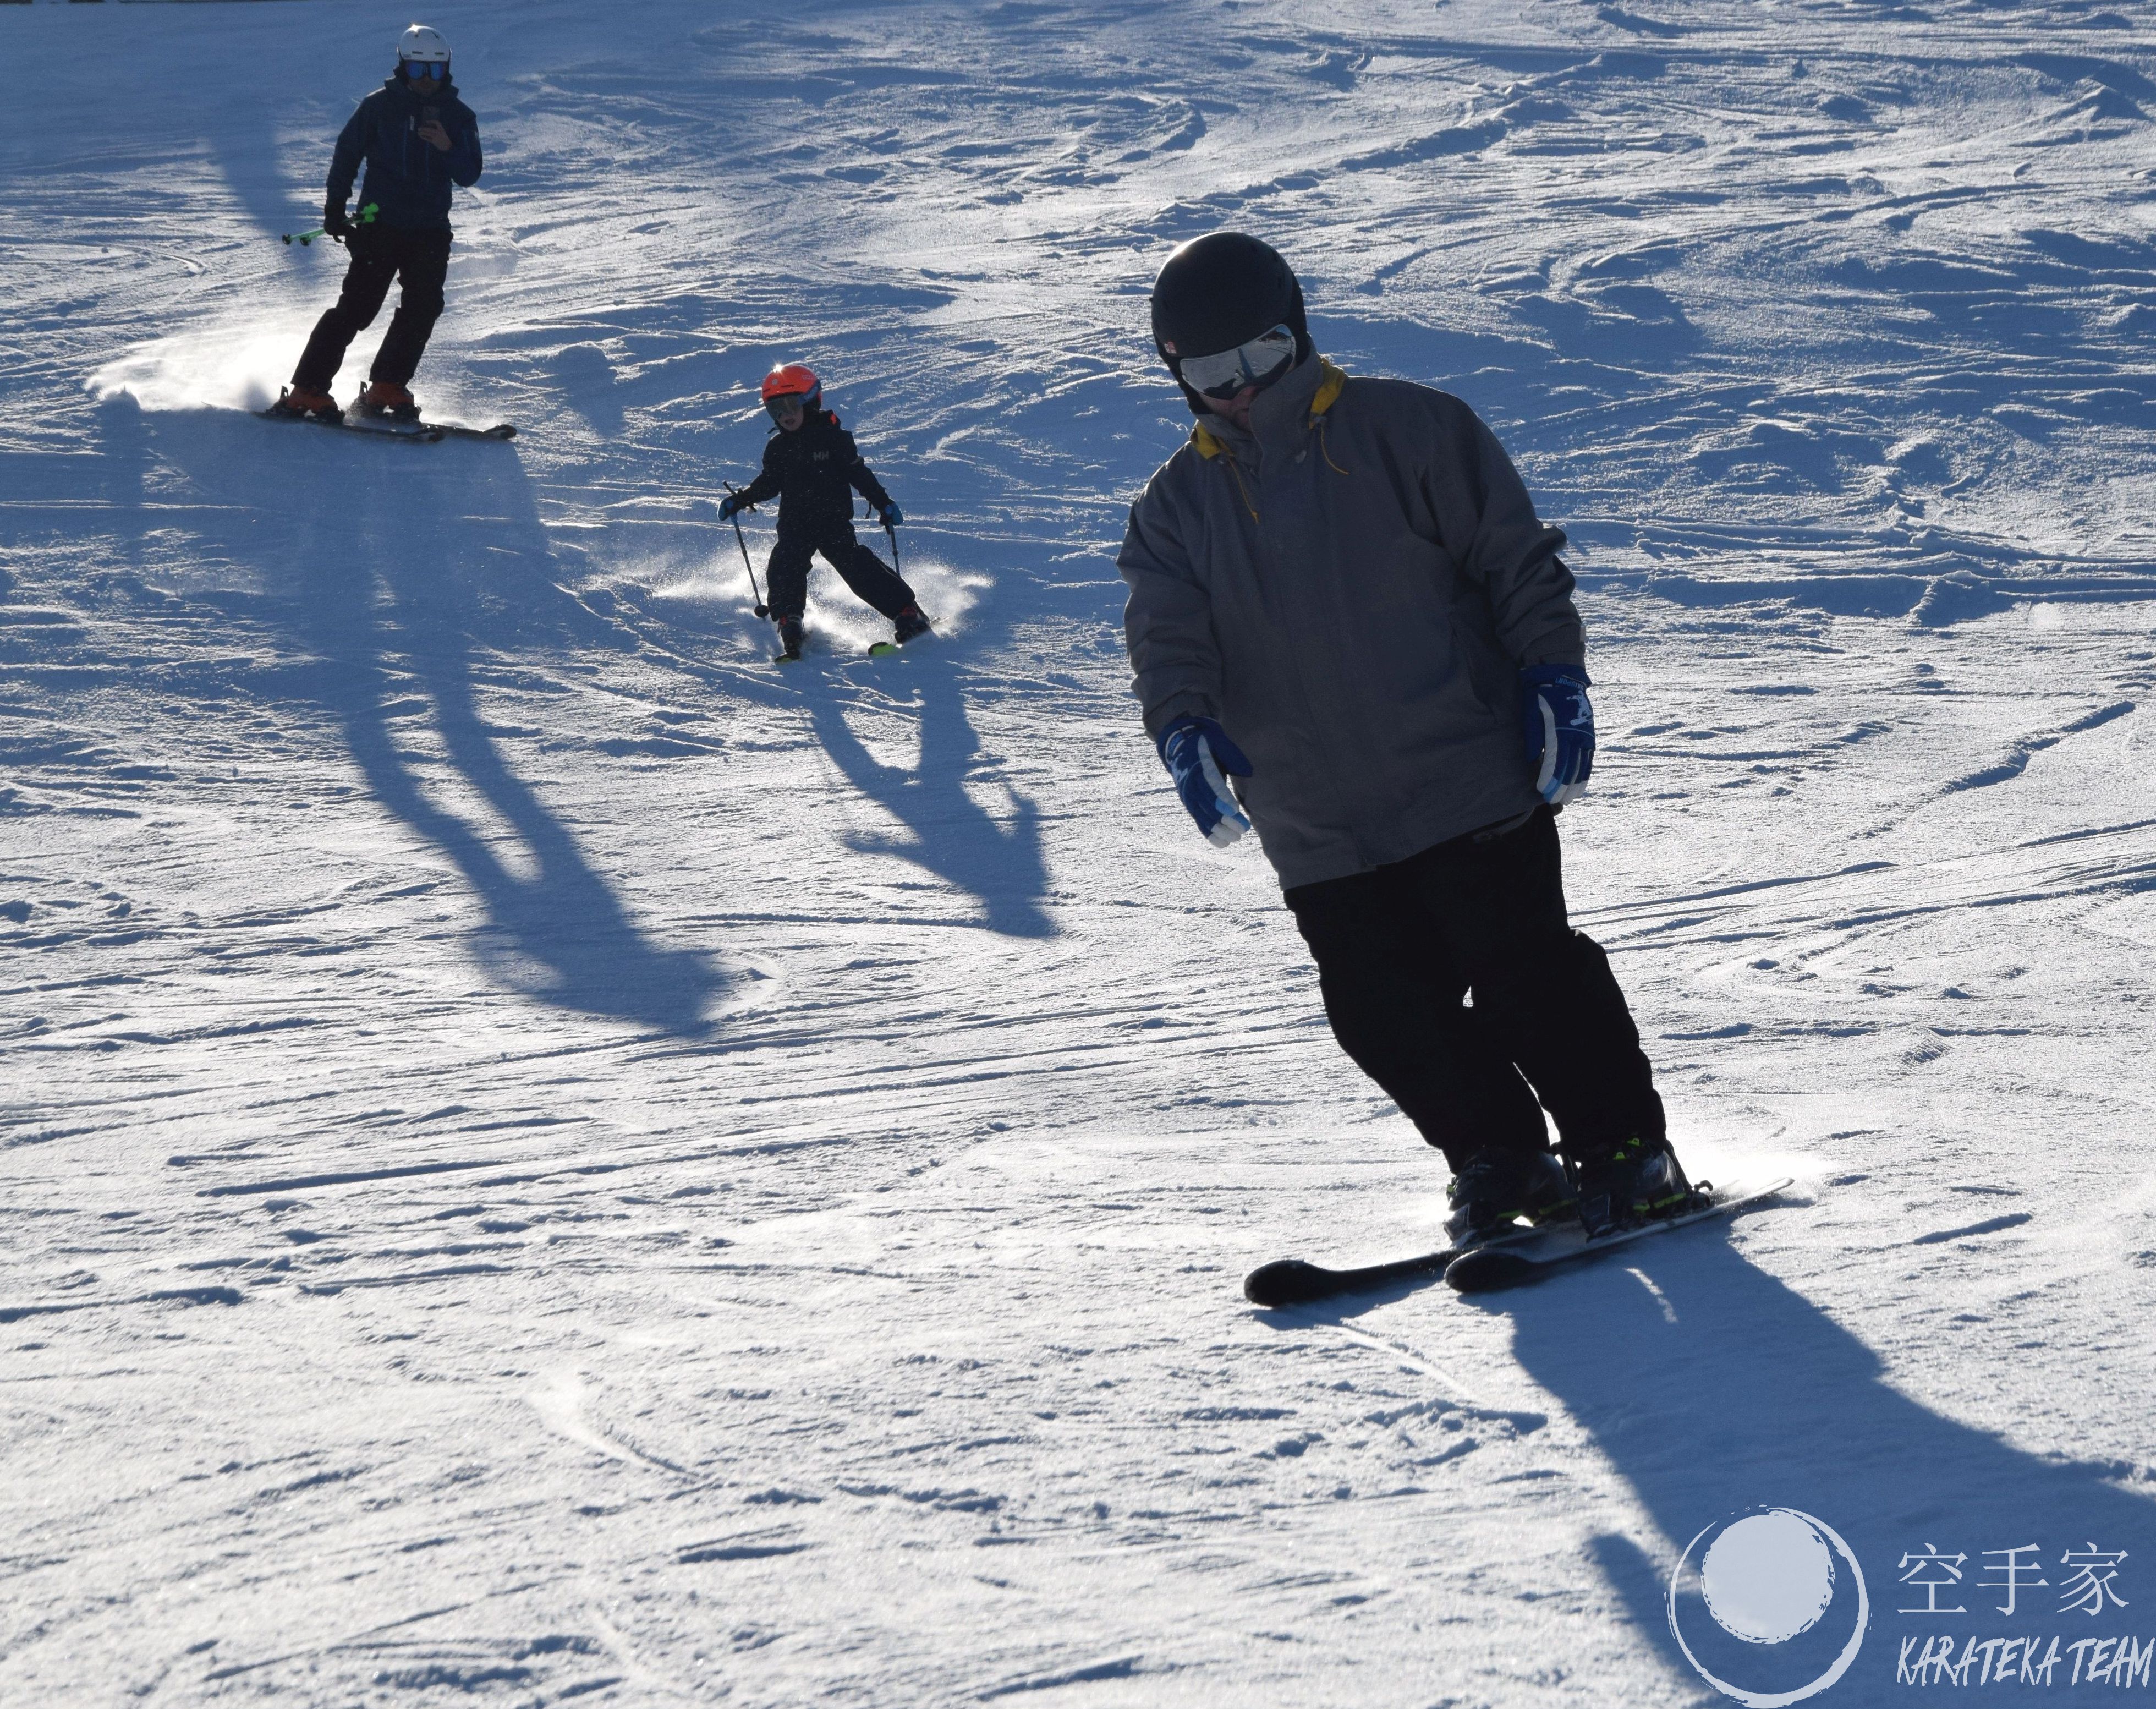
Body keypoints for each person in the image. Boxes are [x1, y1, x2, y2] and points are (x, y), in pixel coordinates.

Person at [1117, 231, 1693, 1244]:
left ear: (1296, 332)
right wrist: (1182, 728)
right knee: (1383, 1016)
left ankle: (1621, 1150)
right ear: (1178, 377)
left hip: (1460, 774)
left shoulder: (1410, 431)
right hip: (1314, 820)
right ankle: (1499, 1156)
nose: (1241, 390)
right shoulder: (1173, 510)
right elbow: (1168, 643)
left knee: (1528, 979)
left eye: (1258, 356)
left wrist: (1553, 677)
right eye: (1211, 374)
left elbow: (1515, 564)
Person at [270, 25, 482, 425]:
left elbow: (471, 173)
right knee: (357, 310)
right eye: (418, 70)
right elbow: (346, 155)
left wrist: (447, 147)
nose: (425, 81)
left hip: (430, 230)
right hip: (380, 227)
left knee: (423, 308)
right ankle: (306, 391)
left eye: (434, 72)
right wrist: (335, 208)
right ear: (403, 66)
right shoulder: (379, 107)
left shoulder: (458, 116)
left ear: (446, 71)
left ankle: (387, 385)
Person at [718, 365, 932, 662]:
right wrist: (740, 500)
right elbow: (769, 483)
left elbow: (859, 474)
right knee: (785, 564)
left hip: (833, 521)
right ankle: (789, 619)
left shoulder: (833, 438)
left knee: (856, 566)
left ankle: (907, 612)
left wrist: (883, 503)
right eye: (776, 410)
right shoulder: (778, 447)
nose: (785, 416)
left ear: (810, 401)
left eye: (791, 406)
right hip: (795, 523)